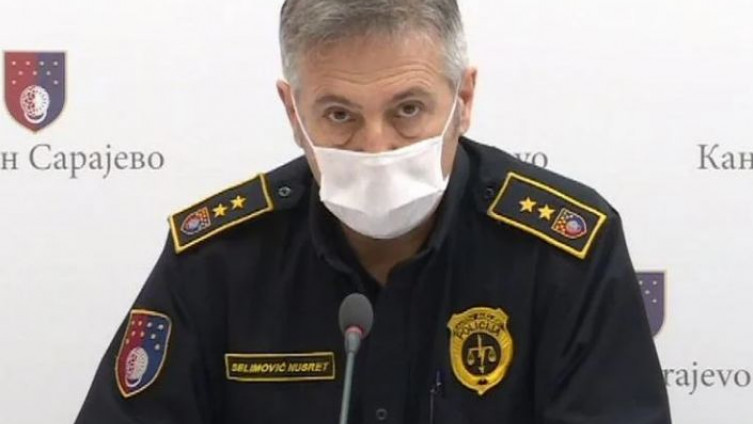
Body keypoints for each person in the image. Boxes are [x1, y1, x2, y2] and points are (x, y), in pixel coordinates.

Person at [75, 1, 671, 423]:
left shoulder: (563, 252)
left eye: (408, 109)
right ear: (293, 112)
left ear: (464, 100)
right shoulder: (217, 259)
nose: (376, 147)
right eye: (340, 115)